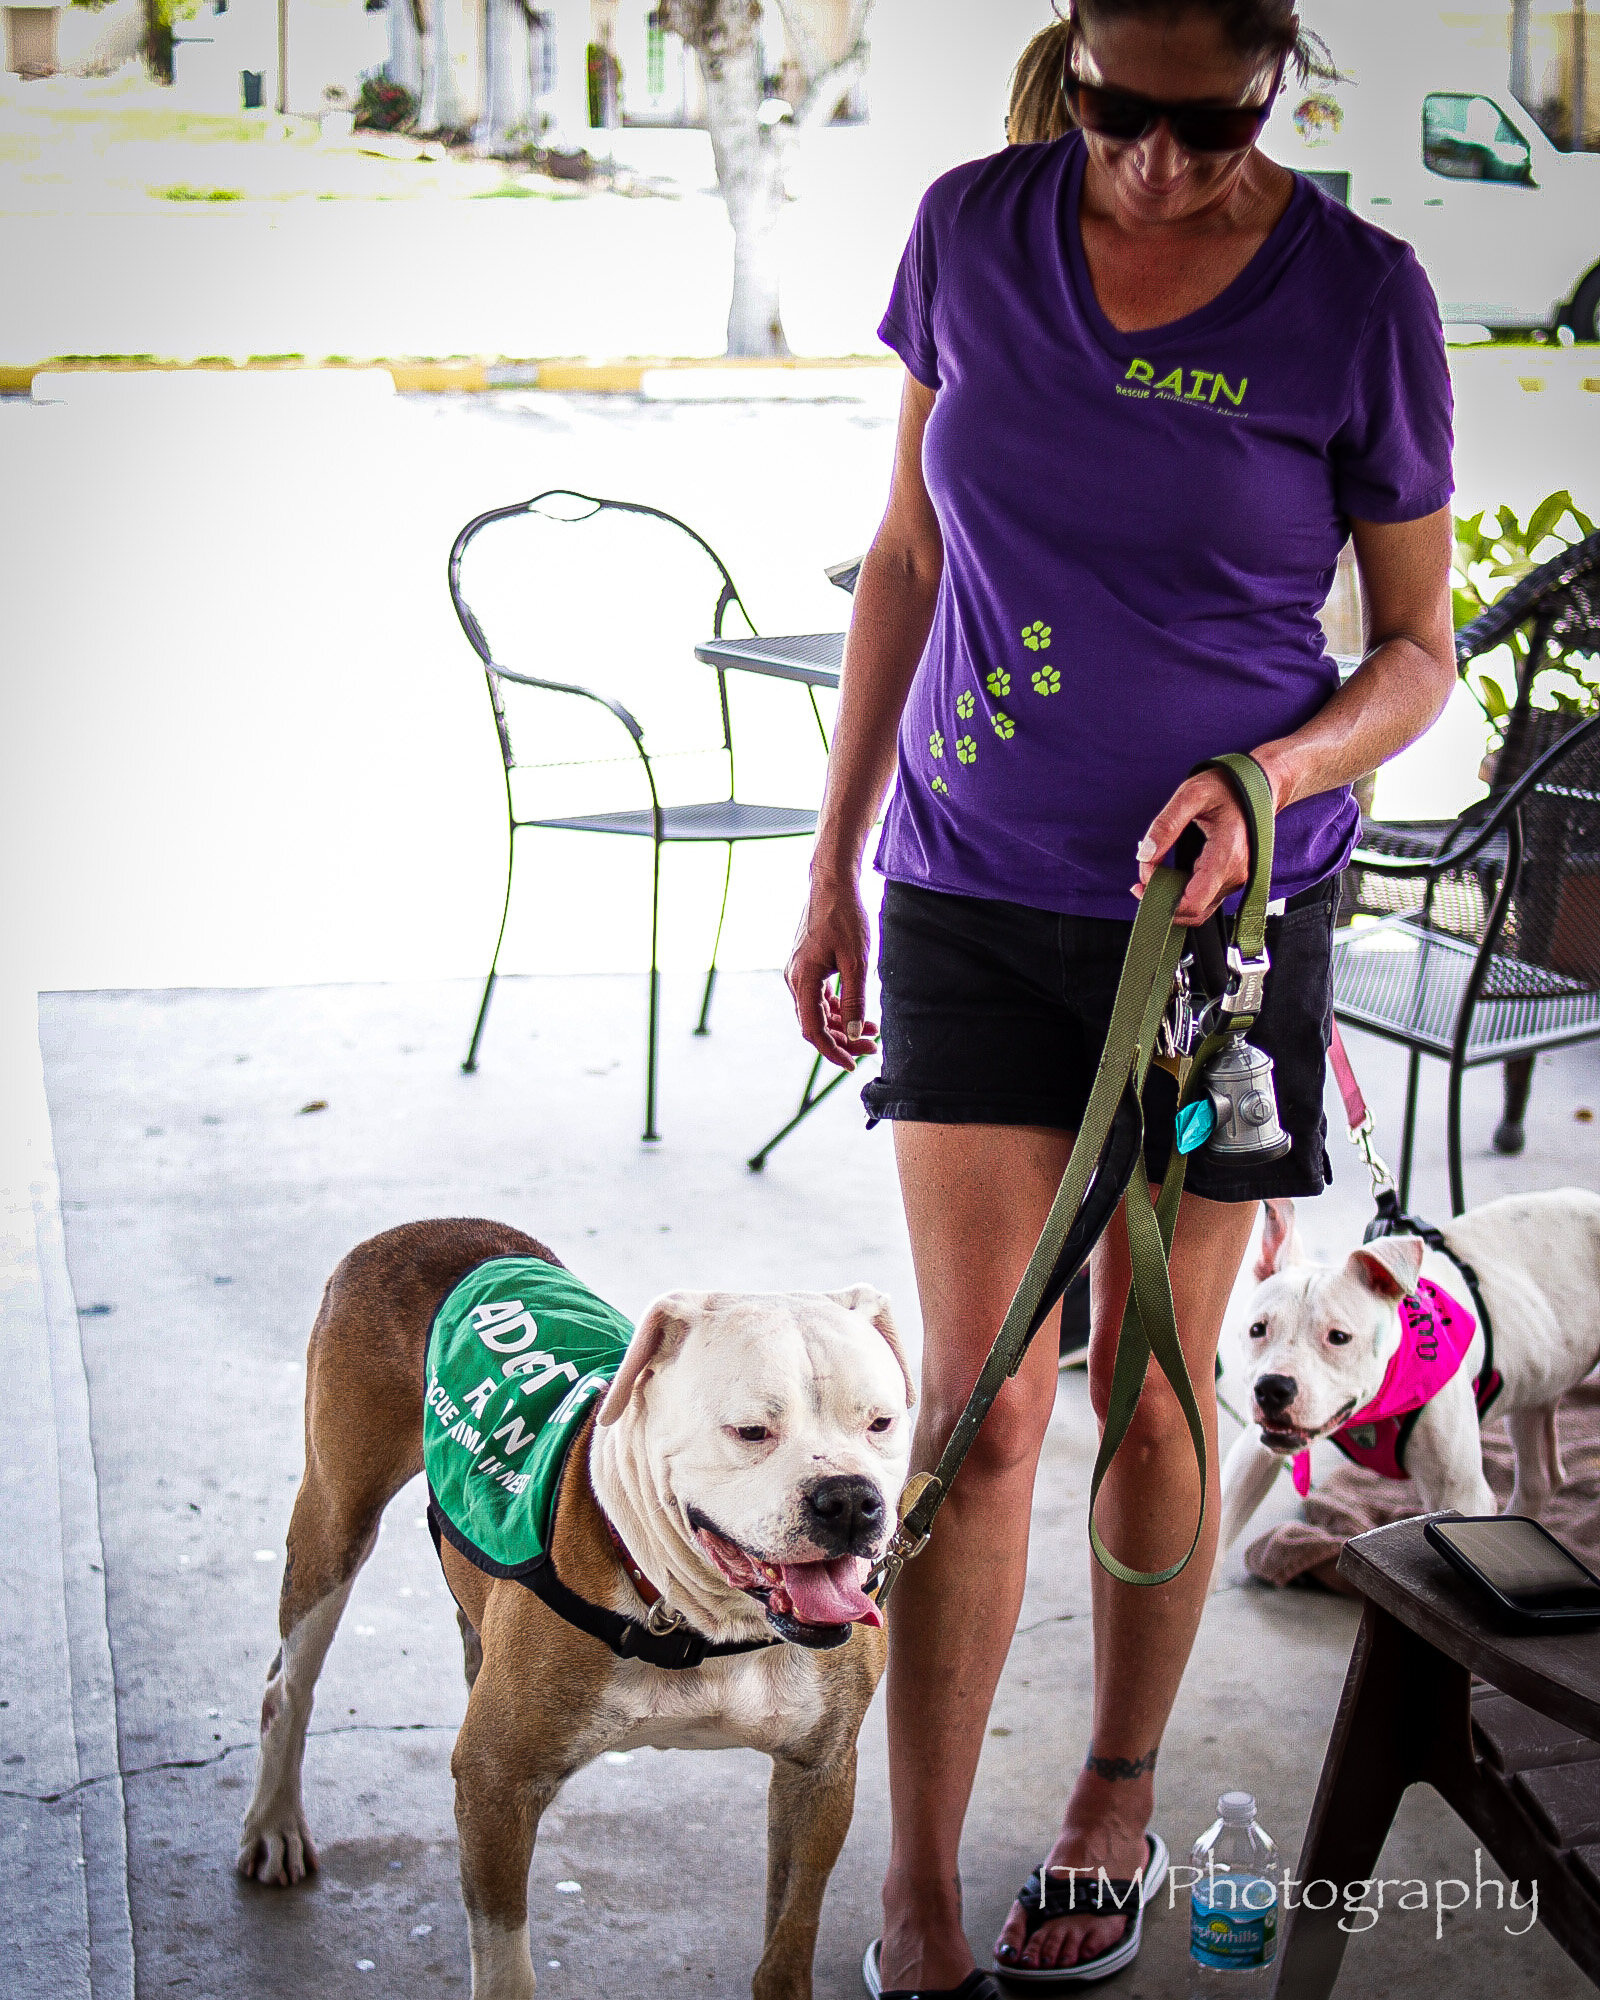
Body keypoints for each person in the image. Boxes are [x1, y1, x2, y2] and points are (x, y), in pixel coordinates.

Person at [785, 2, 1458, 1993]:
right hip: (969, 890)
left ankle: (1112, 1789)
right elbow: (904, 559)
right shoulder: (967, 229)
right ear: (1065, 58)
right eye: (1111, 109)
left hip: (1219, 931)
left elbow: (1416, 650)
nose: (1154, 161)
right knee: (978, 1404)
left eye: (1206, 122)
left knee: (1153, 1383)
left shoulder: (1358, 298)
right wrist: (830, 862)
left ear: (1274, 75)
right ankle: (914, 1878)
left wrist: (1277, 777)